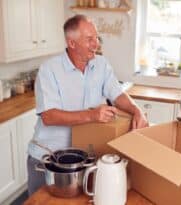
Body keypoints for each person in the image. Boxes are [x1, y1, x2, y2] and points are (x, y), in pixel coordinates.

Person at [27, 14, 148, 195]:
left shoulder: (101, 64)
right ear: (72, 43)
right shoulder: (48, 70)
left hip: (84, 160)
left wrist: (137, 110)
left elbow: (117, 94)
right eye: (89, 39)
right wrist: (92, 115)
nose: (96, 43)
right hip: (49, 160)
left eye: (96, 37)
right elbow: (49, 116)